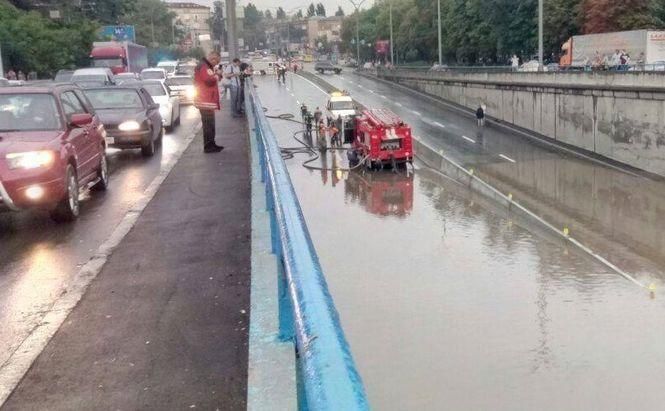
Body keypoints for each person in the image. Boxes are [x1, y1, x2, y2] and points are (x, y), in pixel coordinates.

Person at [194, 51, 224, 153]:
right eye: (216, 62)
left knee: (210, 124)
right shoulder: (204, 67)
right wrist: (217, 75)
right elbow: (208, 80)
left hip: (207, 100)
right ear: (213, 59)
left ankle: (211, 144)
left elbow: (212, 78)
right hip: (205, 100)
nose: (216, 64)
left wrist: (217, 75)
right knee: (208, 124)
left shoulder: (206, 66)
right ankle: (208, 146)